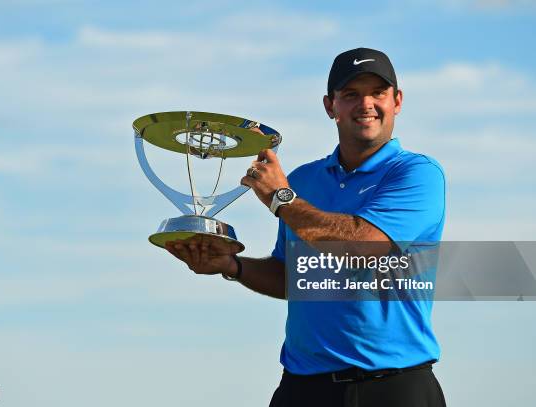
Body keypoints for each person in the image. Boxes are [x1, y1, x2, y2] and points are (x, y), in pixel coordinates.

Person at [165, 47, 446, 407]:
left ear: (398, 101)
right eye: (351, 95)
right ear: (330, 106)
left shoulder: (418, 173)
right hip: (303, 388)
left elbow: (365, 246)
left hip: (394, 387)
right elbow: (292, 277)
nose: (366, 104)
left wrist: (282, 200)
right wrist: (232, 266)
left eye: (378, 93)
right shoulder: (303, 181)